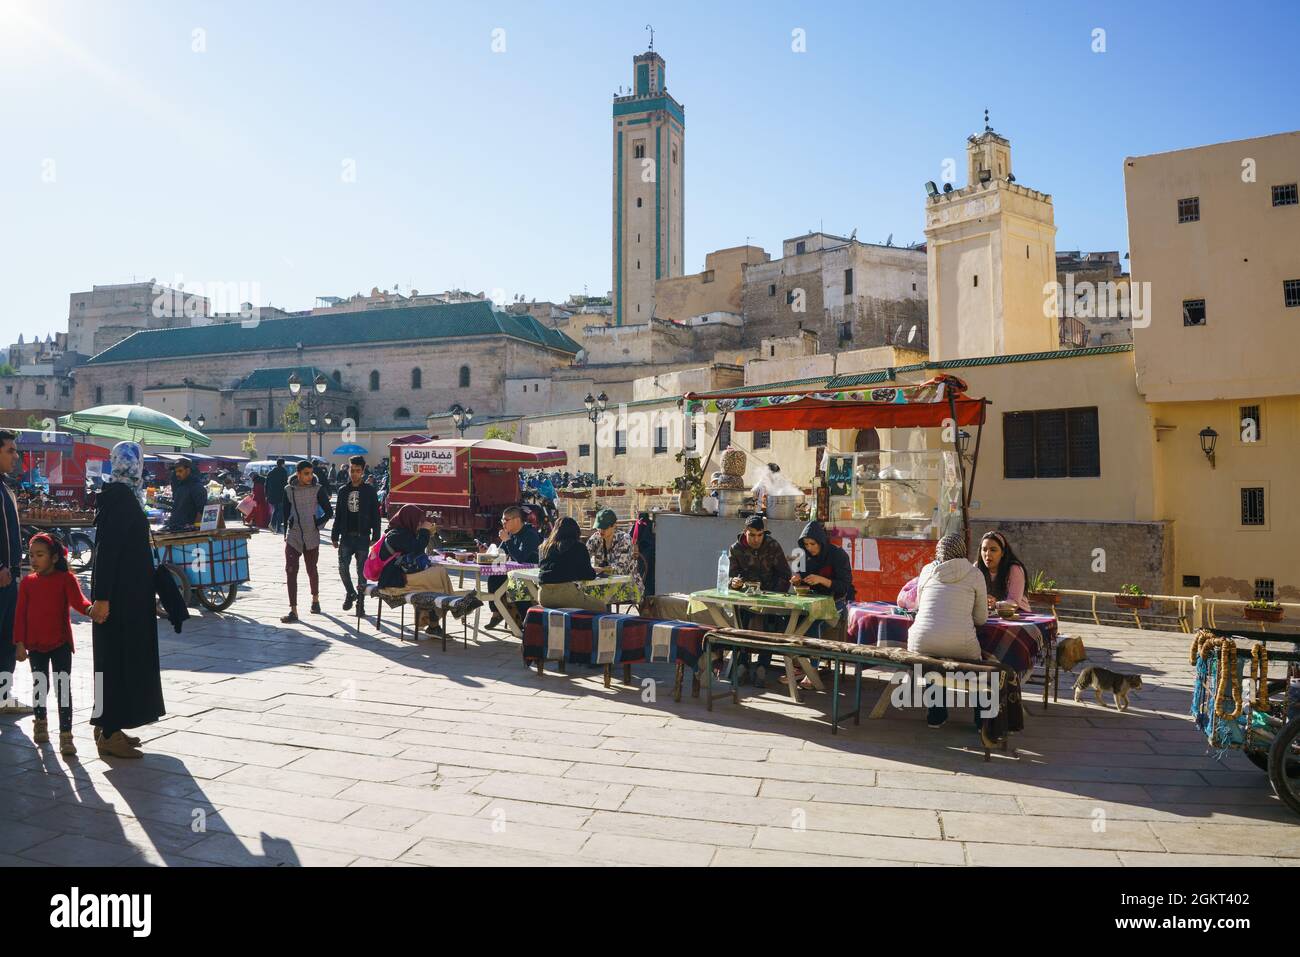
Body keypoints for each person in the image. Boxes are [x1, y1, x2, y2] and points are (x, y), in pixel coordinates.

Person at [90, 441, 166, 758]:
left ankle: (110, 726)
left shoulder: (123, 497)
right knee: (115, 661)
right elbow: (107, 554)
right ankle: (108, 732)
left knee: (120, 659)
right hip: (119, 599)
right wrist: (103, 599)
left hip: (128, 596)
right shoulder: (121, 500)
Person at [13, 533, 94, 756]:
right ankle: (41, 723)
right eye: (31, 555)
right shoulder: (28, 583)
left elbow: (79, 602)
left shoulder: (66, 579)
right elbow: (20, 615)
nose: (34, 560)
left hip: (60, 643)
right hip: (35, 645)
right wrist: (20, 643)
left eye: (40, 555)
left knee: (63, 689)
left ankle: (66, 736)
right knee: (41, 686)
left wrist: (90, 610)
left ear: (55, 557)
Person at [906, 533, 988, 728]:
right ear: (963, 551)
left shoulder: (927, 571)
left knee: (932, 657)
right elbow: (981, 619)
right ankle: (981, 721)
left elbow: (919, 606)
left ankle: (936, 715)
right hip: (960, 644)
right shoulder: (975, 574)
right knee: (978, 668)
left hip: (920, 641)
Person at [726, 514, 793, 688]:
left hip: (770, 597)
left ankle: (763, 664)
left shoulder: (772, 546)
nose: (756, 539)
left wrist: (772, 596)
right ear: (745, 532)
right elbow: (730, 577)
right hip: (745, 597)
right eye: (752, 535)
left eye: (760, 535)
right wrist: (734, 583)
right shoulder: (736, 549)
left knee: (771, 624)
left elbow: (785, 575)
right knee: (740, 621)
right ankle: (742, 663)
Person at [0, 429, 31, 714]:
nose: (16, 455)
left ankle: (2, 695)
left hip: (9, 577)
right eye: (9, 450)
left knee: (7, 637)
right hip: (1, 576)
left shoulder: (5, 486)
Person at [281, 459, 334, 623]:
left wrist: (317, 524)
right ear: (298, 474)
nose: (310, 476)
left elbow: (329, 511)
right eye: (306, 474)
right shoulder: (288, 490)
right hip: (294, 534)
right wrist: (286, 530)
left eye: (311, 473)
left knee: (312, 569)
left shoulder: (317, 489)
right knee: (290, 571)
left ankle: (315, 600)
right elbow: (284, 511)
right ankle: (293, 610)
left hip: (311, 534)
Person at [332, 455, 381, 616]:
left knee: (362, 572)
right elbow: (338, 514)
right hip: (346, 537)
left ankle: (361, 603)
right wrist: (334, 534)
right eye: (352, 470)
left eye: (357, 471)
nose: (354, 474)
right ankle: (350, 592)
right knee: (342, 568)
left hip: (362, 537)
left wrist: (376, 534)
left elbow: (376, 514)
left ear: (363, 471)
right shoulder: (343, 491)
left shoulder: (370, 491)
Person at [486, 505, 541, 631]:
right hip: (516, 572)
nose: (503, 523)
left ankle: (527, 621)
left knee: (517, 583)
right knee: (494, 576)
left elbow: (520, 558)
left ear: (516, 520)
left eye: (506, 520)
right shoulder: (510, 534)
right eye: (502, 520)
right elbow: (501, 553)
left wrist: (508, 541)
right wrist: (487, 553)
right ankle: (496, 612)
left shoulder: (530, 534)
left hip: (532, 574)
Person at [537, 517, 604, 612]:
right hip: (566, 594)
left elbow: (546, 567)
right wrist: (594, 570)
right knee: (601, 606)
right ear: (576, 531)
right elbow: (588, 575)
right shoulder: (579, 547)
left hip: (544, 596)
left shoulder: (543, 547)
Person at [975, 530, 1031, 614]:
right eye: (984, 549)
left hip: (1018, 614)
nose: (987, 554)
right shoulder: (976, 568)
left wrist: (996, 604)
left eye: (993, 550)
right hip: (988, 615)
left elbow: (1014, 602)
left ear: (1003, 553)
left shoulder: (1014, 569)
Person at [587, 509, 635, 578]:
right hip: (603, 583)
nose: (601, 530)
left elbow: (619, 570)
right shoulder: (596, 537)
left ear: (614, 525)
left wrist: (596, 570)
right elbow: (583, 556)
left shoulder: (624, 540)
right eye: (599, 527)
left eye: (604, 527)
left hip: (627, 584)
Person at [164, 457, 208, 531]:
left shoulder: (197, 487)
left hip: (187, 531)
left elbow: (201, 511)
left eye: (180, 471)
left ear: (188, 470)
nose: (177, 474)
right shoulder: (180, 487)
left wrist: (196, 529)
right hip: (176, 529)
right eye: (176, 471)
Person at [630, 511, 656, 599]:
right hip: (651, 554)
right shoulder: (650, 524)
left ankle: (644, 598)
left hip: (642, 555)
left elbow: (632, 537)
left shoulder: (637, 524)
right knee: (650, 577)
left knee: (643, 576)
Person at [266, 458, 288, 534]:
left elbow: (266, 485)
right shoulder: (283, 472)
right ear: (282, 464)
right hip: (281, 494)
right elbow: (285, 484)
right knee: (280, 511)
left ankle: (272, 524)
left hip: (272, 495)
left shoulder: (271, 472)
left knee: (276, 510)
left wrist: (266, 494)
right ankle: (277, 527)